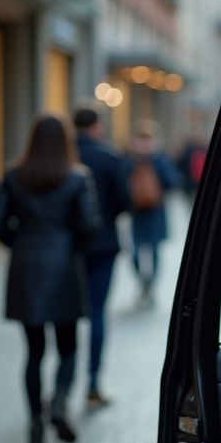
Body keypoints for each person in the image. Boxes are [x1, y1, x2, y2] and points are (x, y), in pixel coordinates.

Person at [0, 114, 101, 443]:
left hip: (26, 265)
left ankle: (35, 427)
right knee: (68, 346)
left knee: (34, 351)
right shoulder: (76, 176)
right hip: (63, 265)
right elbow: (90, 223)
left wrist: (20, 243)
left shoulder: (14, 174)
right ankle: (59, 403)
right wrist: (69, 246)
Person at [73, 106, 131, 407]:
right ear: (97, 126)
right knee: (97, 312)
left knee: (67, 315)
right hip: (103, 244)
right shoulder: (109, 157)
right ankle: (93, 382)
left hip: (68, 249)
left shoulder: (63, 155)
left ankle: (62, 384)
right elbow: (124, 200)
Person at [127, 120, 180, 308]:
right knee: (134, 252)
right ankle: (144, 282)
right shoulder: (131, 159)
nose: (144, 143)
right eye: (142, 138)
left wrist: (154, 161)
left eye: (148, 139)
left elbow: (172, 181)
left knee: (155, 250)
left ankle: (151, 287)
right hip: (137, 213)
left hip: (156, 212)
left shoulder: (160, 158)